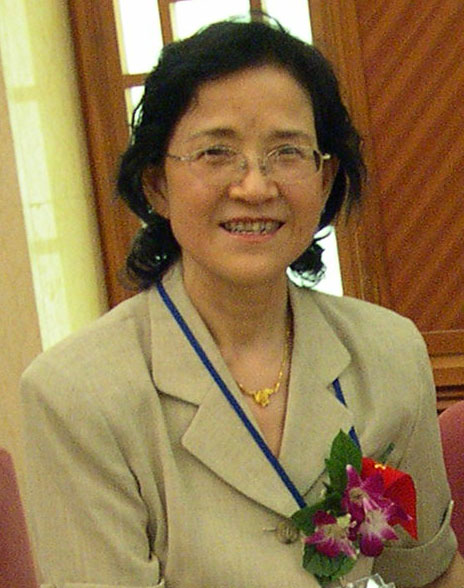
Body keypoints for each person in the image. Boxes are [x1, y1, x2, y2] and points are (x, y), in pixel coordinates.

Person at [20, 15, 463, 588]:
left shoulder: (388, 353)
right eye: (216, 152)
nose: (255, 187)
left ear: (325, 180)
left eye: (287, 152)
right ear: (156, 184)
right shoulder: (77, 395)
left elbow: (428, 574)